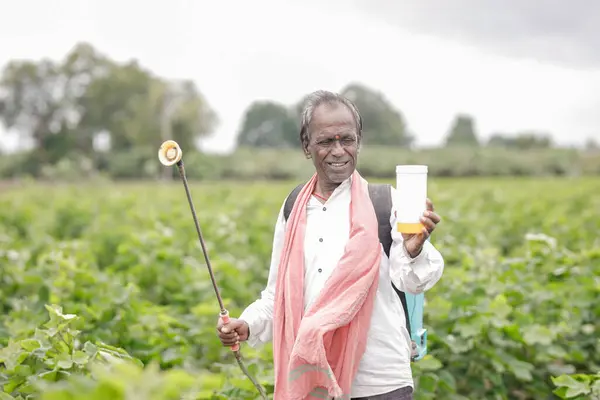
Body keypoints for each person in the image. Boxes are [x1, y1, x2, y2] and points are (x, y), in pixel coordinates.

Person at [216, 90, 444, 400]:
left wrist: (414, 250)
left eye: (347, 140)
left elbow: (413, 282)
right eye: (326, 142)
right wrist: (247, 323)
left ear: (358, 142)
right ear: (306, 147)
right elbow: (277, 296)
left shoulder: (386, 201)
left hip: (380, 382)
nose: (338, 151)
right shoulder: (294, 207)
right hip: (315, 383)